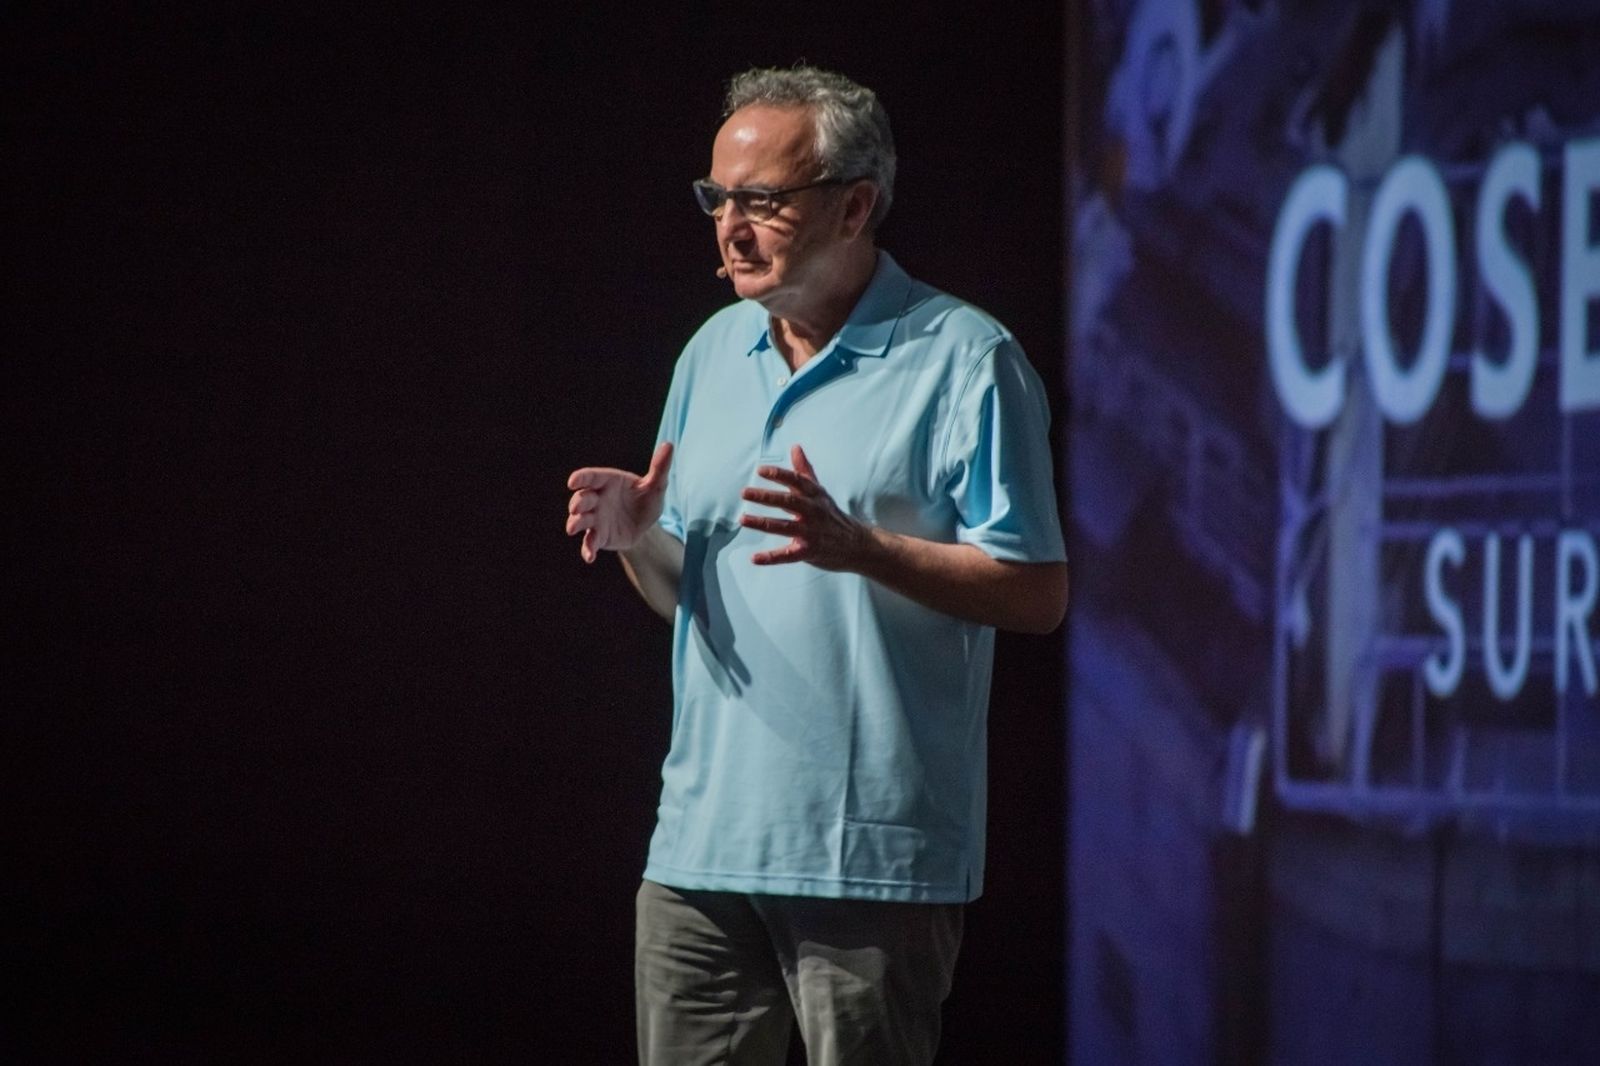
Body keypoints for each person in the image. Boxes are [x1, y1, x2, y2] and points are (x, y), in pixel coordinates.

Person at [565, 65, 1068, 1066]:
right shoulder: (712, 352)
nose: (729, 226)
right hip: (700, 850)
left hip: (869, 859)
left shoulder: (967, 358)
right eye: (717, 199)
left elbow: (1036, 593)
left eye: (761, 201)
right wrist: (639, 541)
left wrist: (863, 547)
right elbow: (693, 601)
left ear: (854, 204)